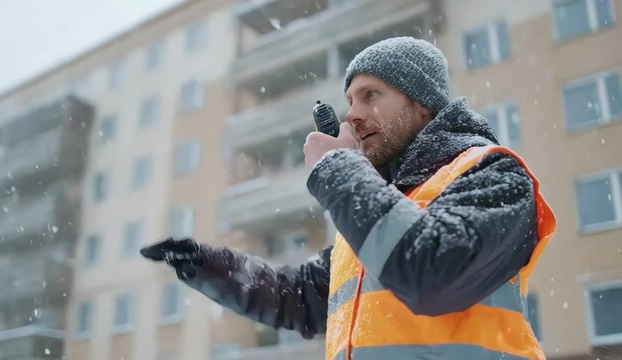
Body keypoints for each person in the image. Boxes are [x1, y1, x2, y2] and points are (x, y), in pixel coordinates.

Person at [141, 37, 556, 360]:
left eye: (371, 95)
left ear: (424, 105)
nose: (352, 115)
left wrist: (337, 167)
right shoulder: (381, 215)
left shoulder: (492, 173)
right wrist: (204, 263)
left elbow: (429, 271)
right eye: (350, 101)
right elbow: (298, 296)